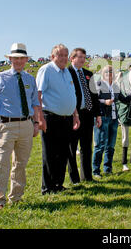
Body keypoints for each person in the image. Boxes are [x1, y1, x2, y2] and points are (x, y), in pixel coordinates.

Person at [0, 43, 40, 209]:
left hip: (26, 125)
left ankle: (16, 197)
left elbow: (35, 103)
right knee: (2, 163)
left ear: (25, 60)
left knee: (20, 164)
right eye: (15, 58)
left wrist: (36, 123)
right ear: (10, 59)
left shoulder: (30, 79)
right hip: (6, 126)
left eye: (21, 58)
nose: (18, 61)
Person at [36, 44, 80, 195]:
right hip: (51, 117)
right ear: (52, 56)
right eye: (60, 55)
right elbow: (38, 94)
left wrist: (75, 115)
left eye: (65, 55)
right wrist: (40, 118)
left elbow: (71, 95)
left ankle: (58, 184)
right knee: (50, 153)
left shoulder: (67, 72)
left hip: (66, 118)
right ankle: (47, 187)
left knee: (63, 153)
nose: (63, 58)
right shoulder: (46, 70)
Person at [92, 65, 131, 178]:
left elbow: (125, 100)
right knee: (100, 145)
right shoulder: (99, 85)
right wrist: (105, 102)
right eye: (108, 72)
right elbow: (94, 101)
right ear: (103, 73)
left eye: (112, 72)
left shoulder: (116, 87)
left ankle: (107, 169)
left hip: (113, 119)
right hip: (102, 117)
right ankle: (96, 171)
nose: (110, 74)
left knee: (111, 146)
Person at [67, 48, 102, 183]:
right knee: (72, 147)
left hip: (87, 115)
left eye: (84, 57)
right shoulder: (67, 73)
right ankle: (74, 179)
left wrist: (97, 115)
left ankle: (87, 176)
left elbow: (94, 96)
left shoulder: (88, 74)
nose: (82, 59)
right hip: (73, 115)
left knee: (87, 147)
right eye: (80, 57)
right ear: (72, 58)